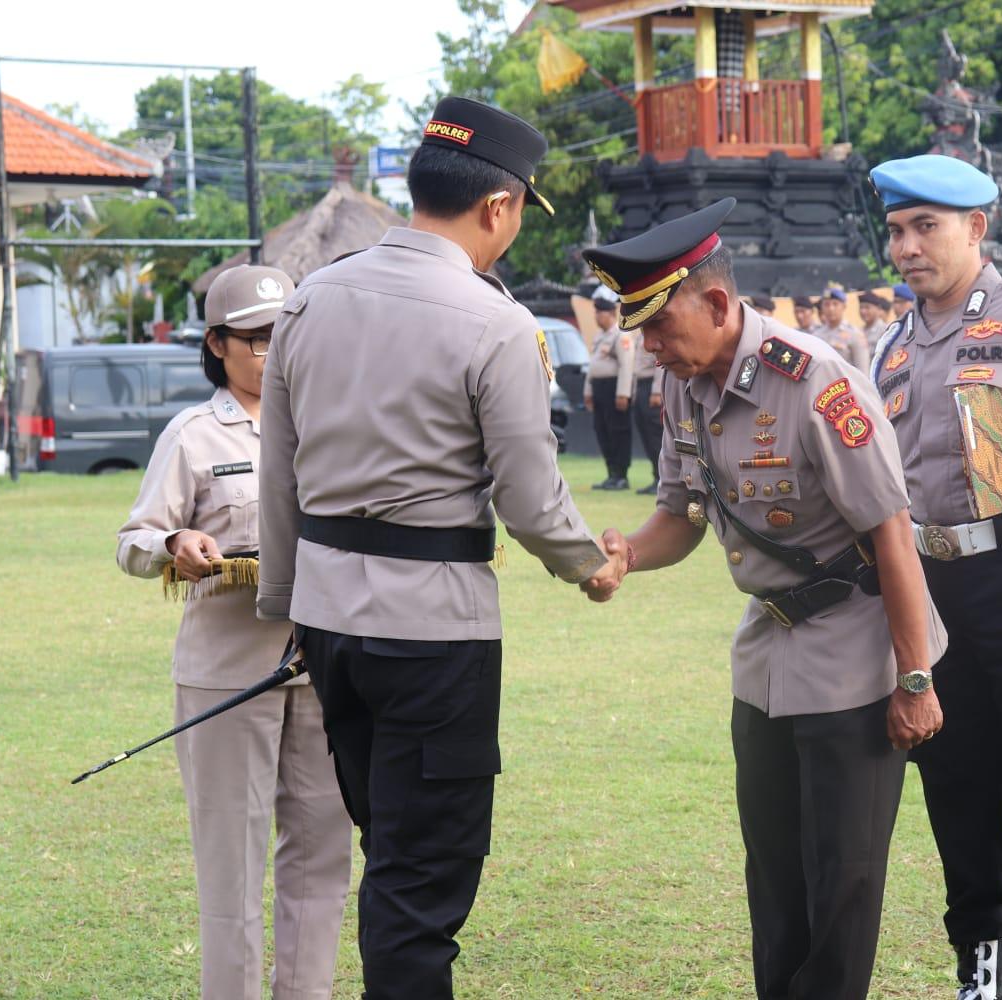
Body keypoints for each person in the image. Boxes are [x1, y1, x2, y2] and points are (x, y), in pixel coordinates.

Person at [257, 97, 623, 999]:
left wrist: (284, 601)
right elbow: (533, 501)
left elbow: (278, 472)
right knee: (421, 887)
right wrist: (591, 566)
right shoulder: (492, 321)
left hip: (331, 624)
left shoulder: (310, 299)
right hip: (434, 638)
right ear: (499, 206)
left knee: (392, 853)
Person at [588, 198, 948, 1000]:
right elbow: (682, 513)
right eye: (637, 328)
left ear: (717, 304)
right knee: (775, 873)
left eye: (657, 325)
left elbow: (892, 534)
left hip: (858, 658)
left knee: (843, 881)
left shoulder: (816, 382)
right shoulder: (685, 385)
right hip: (768, 659)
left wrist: (915, 677)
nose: (647, 347)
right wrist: (629, 555)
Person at [868, 153, 1002, 1000]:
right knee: (955, 780)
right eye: (895, 230)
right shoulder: (892, 342)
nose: (907, 247)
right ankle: (980, 964)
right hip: (931, 586)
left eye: (926, 227)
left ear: (976, 229)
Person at [117, 264, 352, 1000]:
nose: (275, 352)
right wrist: (174, 545)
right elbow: (134, 539)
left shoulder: (335, 422)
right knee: (232, 866)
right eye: (256, 340)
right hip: (228, 673)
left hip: (322, 665)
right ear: (218, 344)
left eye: (288, 335)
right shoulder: (193, 434)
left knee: (321, 854)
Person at [586, 294, 637, 490]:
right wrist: (588, 391)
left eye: (599, 313)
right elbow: (593, 367)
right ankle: (611, 473)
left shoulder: (620, 335)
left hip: (614, 388)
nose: (596, 317)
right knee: (602, 431)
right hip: (600, 389)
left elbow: (626, 366)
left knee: (618, 432)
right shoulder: (599, 337)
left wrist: (623, 393)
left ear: (610, 314)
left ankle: (621, 476)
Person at [632, 325, 664, 495]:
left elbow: (660, 363)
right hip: (641, 386)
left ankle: (662, 478)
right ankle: (656, 477)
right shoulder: (640, 336)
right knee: (645, 433)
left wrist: (657, 391)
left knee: (655, 435)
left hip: (651, 386)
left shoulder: (655, 334)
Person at [817, 286, 871, 370]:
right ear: (822, 308)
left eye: (835, 304)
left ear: (844, 306)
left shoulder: (855, 334)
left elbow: (863, 370)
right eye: (827, 304)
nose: (831, 308)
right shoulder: (817, 335)